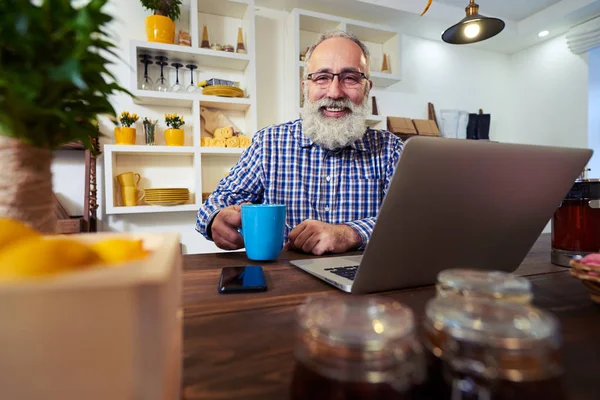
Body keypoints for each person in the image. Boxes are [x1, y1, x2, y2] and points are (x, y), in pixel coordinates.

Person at [196, 30, 403, 255]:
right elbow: (215, 204)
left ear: (367, 89)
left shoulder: (390, 149)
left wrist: (348, 233)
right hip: (284, 283)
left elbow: (416, 217)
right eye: (322, 77)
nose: (334, 92)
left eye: (350, 78)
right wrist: (218, 218)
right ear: (306, 88)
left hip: (366, 282)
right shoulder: (268, 144)